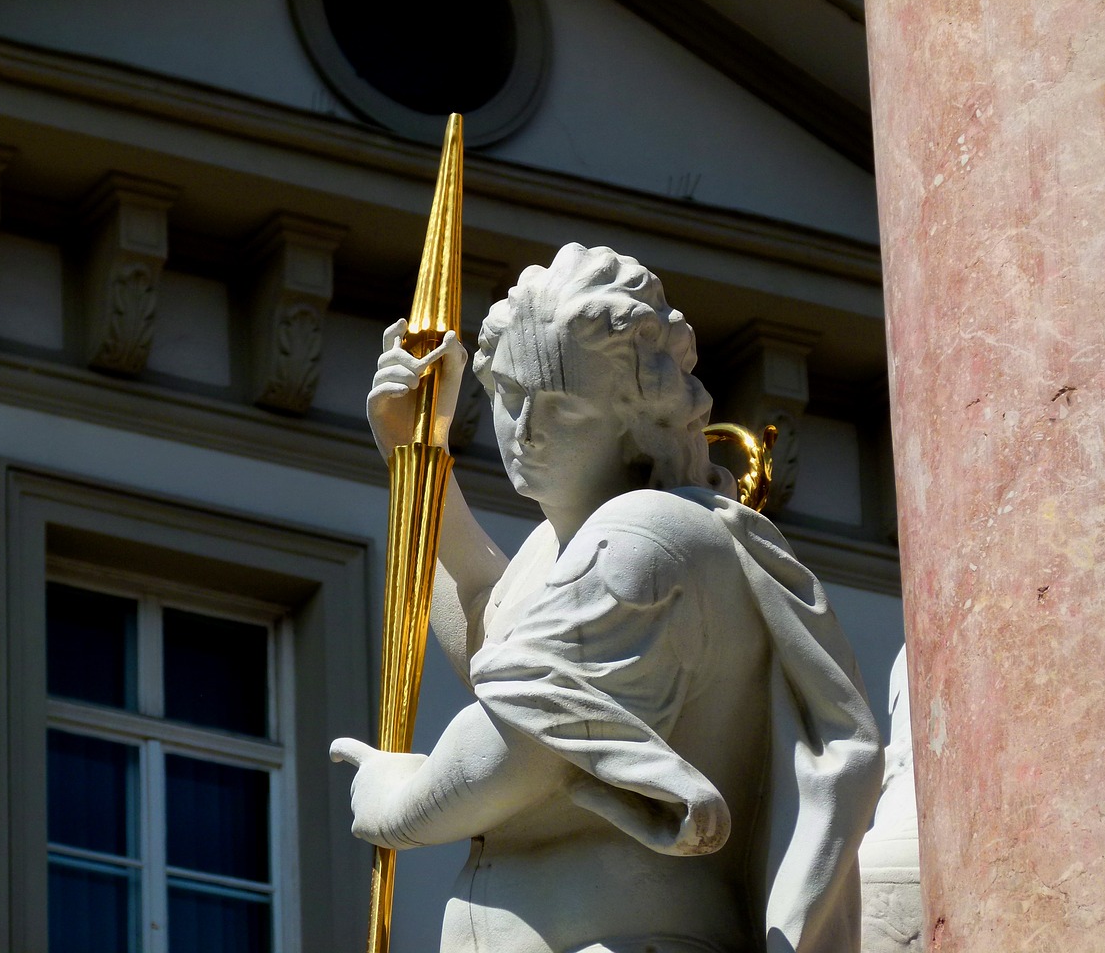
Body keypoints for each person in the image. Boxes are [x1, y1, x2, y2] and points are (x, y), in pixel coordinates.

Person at [331, 244, 883, 953]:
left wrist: (395, 800)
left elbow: (521, 744)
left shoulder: (649, 538)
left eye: (559, 406)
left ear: (640, 417)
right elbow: (488, 626)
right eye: (508, 397)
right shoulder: (571, 549)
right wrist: (418, 459)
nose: (523, 430)